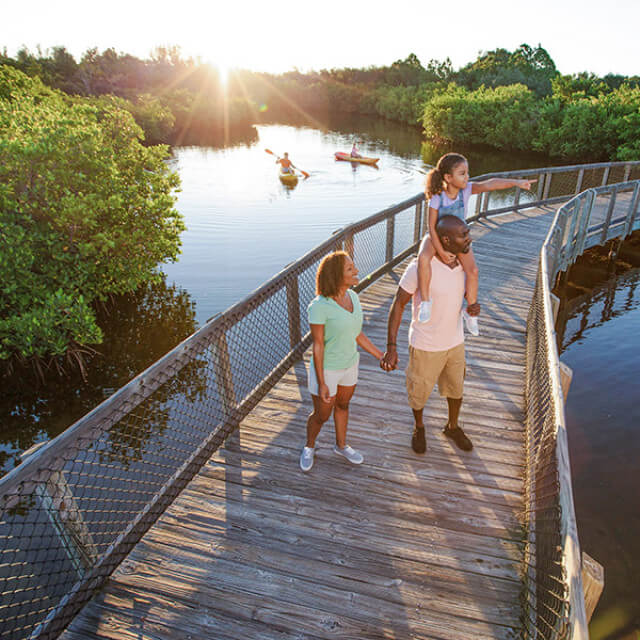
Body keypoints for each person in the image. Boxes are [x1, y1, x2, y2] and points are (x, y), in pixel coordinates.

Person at [381, 215, 480, 454]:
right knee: (419, 394)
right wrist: (391, 346)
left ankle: (452, 427)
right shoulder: (419, 268)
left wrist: (473, 307)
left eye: (467, 233)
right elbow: (398, 304)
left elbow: (461, 298)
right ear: (445, 239)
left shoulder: (462, 265)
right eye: (463, 235)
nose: (469, 238)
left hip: (455, 343)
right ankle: (419, 427)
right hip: (425, 345)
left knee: (456, 390)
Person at [417, 153, 536, 336]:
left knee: (473, 271)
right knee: (423, 258)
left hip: (458, 238)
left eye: (467, 173)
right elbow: (431, 227)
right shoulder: (437, 197)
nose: (467, 177)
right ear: (448, 177)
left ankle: (470, 312)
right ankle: (426, 302)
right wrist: (440, 251)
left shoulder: (465, 190)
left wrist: (516, 183)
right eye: (462, 173)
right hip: (438, 237)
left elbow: (491, 183)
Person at [300, 251, 384, 472]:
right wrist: (322, 382)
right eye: (350, 269)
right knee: (321, 415)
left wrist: (380, 356)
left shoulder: (353, 297)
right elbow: (318, 345)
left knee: (343, 406)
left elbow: (357, 334)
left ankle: (341, 445)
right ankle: (309, 446)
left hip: (350, 364)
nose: (356, 271)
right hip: (327, 370)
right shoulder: (319, 306)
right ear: (336, 275)